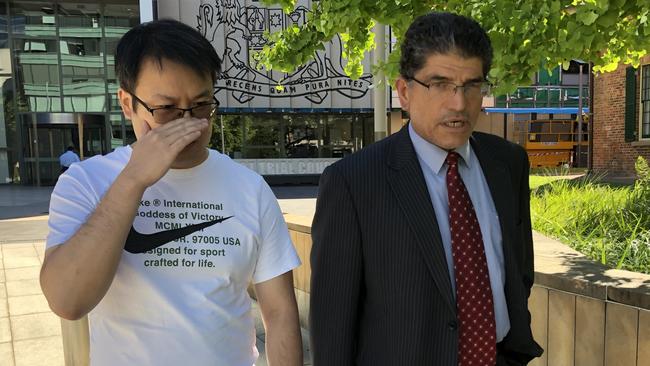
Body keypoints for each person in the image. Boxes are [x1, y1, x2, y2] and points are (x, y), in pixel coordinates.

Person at [40, 19, 303, 366]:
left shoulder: (250, 188)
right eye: (166, 110)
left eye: (201, 106)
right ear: (126, 102)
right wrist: (133, 180)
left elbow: (281, 313)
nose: (189, 125)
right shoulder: (86, 181)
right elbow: (67, 300)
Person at [310, 12, 544, 366]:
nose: (459, 103)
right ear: (404, 91)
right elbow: (332, 326)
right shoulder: (353, 182)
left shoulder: (507, 163)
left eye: (471, 85)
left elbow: (518, 270)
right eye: (440, 84)